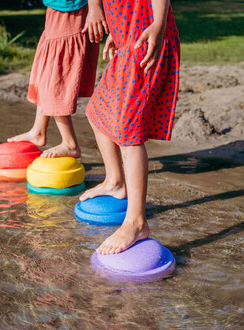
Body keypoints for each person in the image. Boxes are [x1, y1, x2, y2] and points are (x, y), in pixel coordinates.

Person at [80, 0, 180, 254]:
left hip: (145, 40)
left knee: (129, 133)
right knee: (96, 112)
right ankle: (115, 181)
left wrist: (158, 25)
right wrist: (115, 28)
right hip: (127, 39)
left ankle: (136, 221)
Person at [8, 0, 108, 158]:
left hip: (70, 11)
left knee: (56, 78)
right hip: (57, 9)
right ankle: (38, 130)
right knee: (45, 69)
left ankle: (70, 143)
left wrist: (95, 6)